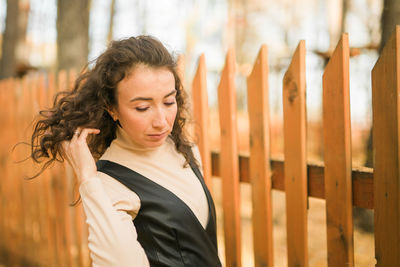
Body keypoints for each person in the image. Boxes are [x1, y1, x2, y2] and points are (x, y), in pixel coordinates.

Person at [30, 36, 221, 267]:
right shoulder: (110, 182)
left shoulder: (184, 149)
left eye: (169, 102)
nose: (161, 121)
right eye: (143, 107)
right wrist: (88, 180)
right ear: (112, 109)